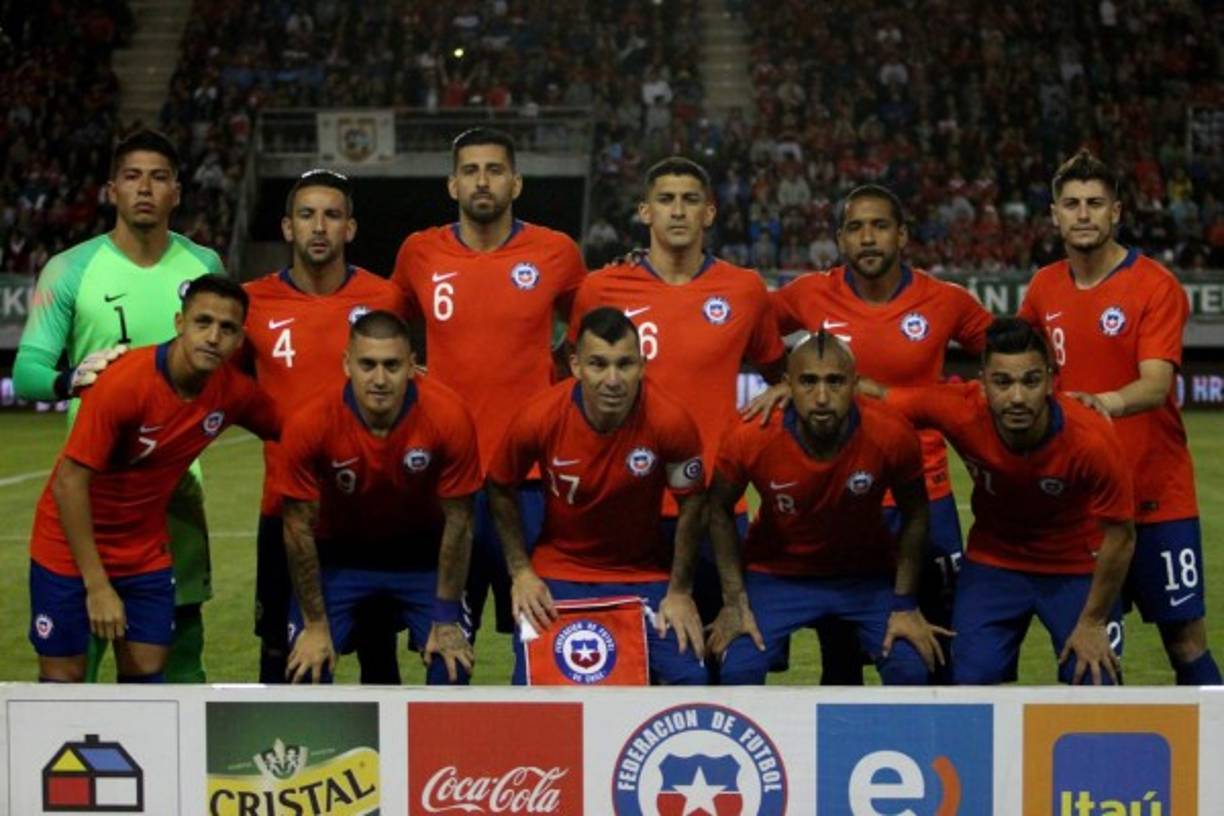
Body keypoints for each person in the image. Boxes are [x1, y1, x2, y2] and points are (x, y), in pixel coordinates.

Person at [14, 129, 225, 683]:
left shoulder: (204, 264)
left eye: (159, 178)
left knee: (174, 667)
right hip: (91, 490)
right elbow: (27, 370)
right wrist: (70, 379)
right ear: (112, 190)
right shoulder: (69, 269)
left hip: (175, 492)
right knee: (71, 674)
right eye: (132, 177)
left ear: (177, 191)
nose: (145, 189)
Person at [760, 183, 993, 683]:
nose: (867, 238)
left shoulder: (945, 301)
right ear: (840, 240)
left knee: (937, 648)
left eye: (879, 226)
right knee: (841, 658)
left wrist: (959, 403)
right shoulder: (807, 294)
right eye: (855, 228)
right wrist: (785, 381)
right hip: (840, 498)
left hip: (925, 496)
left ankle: (938, 757)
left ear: (902, 235)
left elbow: (1012, 355)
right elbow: (749, 328)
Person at [1019, 149, 1220, 685]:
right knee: (1091, 646)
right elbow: (1018, 367)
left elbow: (1156, 384)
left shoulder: (1154, 285)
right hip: (1081, 503)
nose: (1083, 214)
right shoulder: (1042, 289)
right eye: (1071, 204)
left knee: (1185, 640)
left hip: (1159, 500)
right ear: (1055, 215)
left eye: (1094, 204)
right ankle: (1091, 768)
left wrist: (1101, 404)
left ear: (1116, 213)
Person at [567, 156, 785, 641]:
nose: (678, 211)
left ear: (710, 213)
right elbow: (569, 378)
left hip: (716, 508)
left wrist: (787, 386)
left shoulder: (745, 290)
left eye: (691, 201)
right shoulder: (601, 288)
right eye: (666, 200)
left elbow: (781, 370)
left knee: (725, 653)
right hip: (626, 507)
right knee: (634, 658)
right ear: (645, 212)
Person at [27, 275, 280, 682]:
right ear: (180, 323)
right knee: (64, 683)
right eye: (203, 322)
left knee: (148, 674)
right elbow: (68, 483)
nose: (213, 337)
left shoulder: (233, 392)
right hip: (67, 550)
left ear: (239, 340)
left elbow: (296, 432)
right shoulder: (124, 383)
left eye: (227, 328)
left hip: (143, 553)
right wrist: (97, 586)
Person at [392, 127, 587, 641]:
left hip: (531, 481)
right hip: (446, 479)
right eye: (471, 171)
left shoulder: (556, 252)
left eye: (495, 170)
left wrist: (560, 376)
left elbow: (590, 335)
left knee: (541, 640)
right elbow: (387, 332)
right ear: (452, 185)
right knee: (445, 641)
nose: (483, 181)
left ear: (516, 183)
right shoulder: (419, 253)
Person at [881, 317, 1135, 685]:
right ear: (982, 382)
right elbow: (871, 400)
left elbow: (1122, 536)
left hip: (1077, 565)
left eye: (1030, 381)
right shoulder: (957, 407)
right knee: (969, 682)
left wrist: (1093, 621)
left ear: (1050, 380)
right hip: (994, 563)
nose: (1017, 397)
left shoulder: (1092, 438)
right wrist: (793, 392)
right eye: (1002, 382)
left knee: (1096, 679)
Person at [242, 169, 407, 684]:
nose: (319, 227)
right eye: (307, 215)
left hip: (371, 516)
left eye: (332, 216)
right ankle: (284, 765)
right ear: (287, 227)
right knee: (283, 662)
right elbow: (222, 389)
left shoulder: (387, 299)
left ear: (350, 229)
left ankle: (391, 767)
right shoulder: (252, 303)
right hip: (285, 510)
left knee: (380, 662)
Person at [707, 331, 945, 685]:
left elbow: (916, 513)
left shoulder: (891, 432)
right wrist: (733, 601)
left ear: (855, 384)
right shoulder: (751, 434)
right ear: (787, 385)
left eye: (835, 382)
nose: (821, 397)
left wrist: (905, 603)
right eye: (808, 382)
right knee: (738, 668)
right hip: (777, 573)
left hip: (865, 576)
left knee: (910, 666)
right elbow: (718, 509)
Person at [487, 307, 708, 685]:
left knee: (690, 680)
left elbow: (693, 503)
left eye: (625, 364)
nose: (612, 379)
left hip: (644, 575)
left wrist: (680, 591)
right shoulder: (539, 417)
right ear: (575, 366)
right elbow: (498, 485)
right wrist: (521, 572)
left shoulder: (670, 421)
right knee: (531, 689)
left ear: (642, 365)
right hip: (558, 572)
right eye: (598, 364)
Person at [279, 311, 479, 685]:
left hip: (422, 559)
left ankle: (437, 746)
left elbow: (460, 521)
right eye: (367, 364)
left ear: (413, 366)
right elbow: (296, 529)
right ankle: (330, 746)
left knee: (451, 665)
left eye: (392, 365)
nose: (380, 379)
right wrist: (317, 626)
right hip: (340, 558)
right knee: (306, 667)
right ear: (347, 364)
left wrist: (446, 616)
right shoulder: (311, 421)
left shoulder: (448, 415)